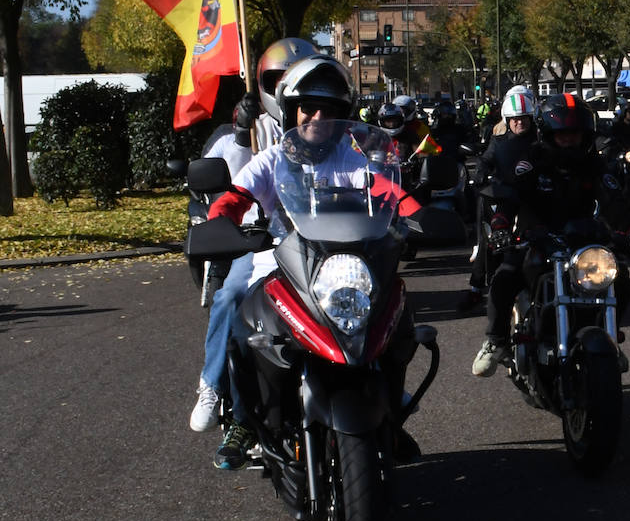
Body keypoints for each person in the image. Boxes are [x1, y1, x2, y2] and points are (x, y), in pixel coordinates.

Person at [206, 54, 421, 466]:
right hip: (283, 261)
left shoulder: (354, 159)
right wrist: (220, 221)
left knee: (397, 313)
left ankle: (389, 414)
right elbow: (236, 198)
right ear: (291, 110)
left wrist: (420, 216)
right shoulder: (271, 159)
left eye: (331, 109)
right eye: (309, 106)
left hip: (346, 265)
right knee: (239, 311)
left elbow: (393, 194)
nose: (318, 116)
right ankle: (244, 417)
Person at [190, 38, 314, 438]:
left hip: (324, 245)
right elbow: (233, 184)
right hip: (263, 243)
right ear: (264, 84)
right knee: (228, 299)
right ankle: (212, 387)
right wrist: (243, 134)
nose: (287, 87)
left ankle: (380, 398)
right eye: (279, 78)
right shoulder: (252, 131)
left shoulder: (332, 132)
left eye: (298, 77)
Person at [472, 94, 626, 376]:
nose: (569, 139)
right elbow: (509, 196)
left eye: (575, 133)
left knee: (620, 278)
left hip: (582, 243)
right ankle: (496, 341)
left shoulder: (594, 164)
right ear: (547, 134)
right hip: (537, 239)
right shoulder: (530, 162)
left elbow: (613, 200)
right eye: (562, 134)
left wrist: (627, 228)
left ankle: (610, 336)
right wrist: (500, 225)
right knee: (504, 278)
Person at [458, 88, 540, 312]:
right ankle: (476, 289)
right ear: (508, 120)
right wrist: (481, 172)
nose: (519, 123)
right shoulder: (500, 140)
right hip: (505, 197)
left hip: (534, 199)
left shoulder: (541, 141)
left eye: (523, 119)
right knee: (489, 237)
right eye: (515, 119)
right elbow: (487, 158)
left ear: (531, 118)